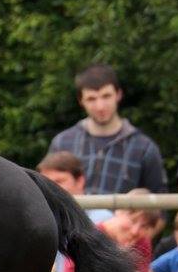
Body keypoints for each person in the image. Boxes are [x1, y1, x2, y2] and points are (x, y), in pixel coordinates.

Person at [47, 64, 167, 194]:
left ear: (118, 94)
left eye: (106, 96)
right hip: (72, 214)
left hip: (121, 214)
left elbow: (159, 205)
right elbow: (48, 195)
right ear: (81, 101)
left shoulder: (144, 148)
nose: (100, 106)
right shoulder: (62, 143)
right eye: (91, 99)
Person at [36, 151, 112, 272]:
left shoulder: (104, 220)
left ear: (80, 180)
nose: (50, 188)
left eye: (59, 181)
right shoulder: (40, 218)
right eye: (46, 182)